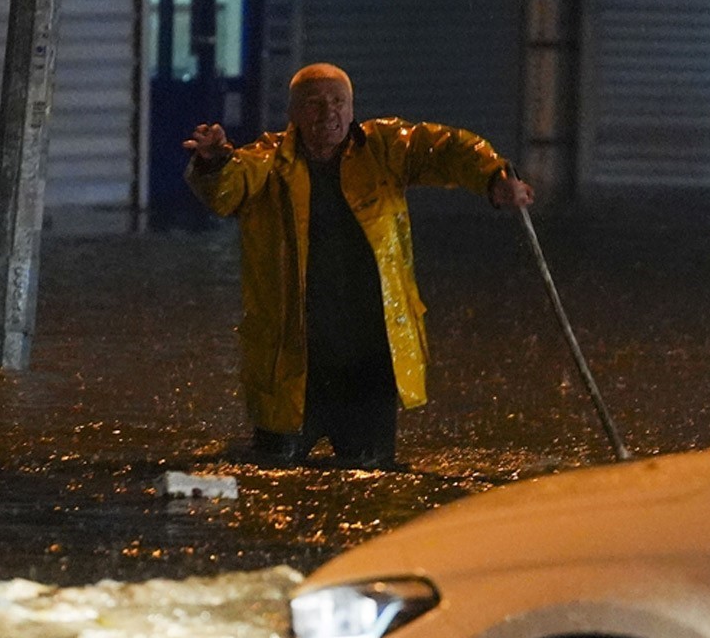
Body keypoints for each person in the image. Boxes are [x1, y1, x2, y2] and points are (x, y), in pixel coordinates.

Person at [183, 62, 534, 469]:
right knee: (272, 471)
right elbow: (226, 190)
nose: (329, 113)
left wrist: (493, 177)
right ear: (294, 113)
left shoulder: (385, 148)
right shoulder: (266, 162)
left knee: (373, 475)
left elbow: (446, 148)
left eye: (338, 102)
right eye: (315, 104)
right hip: (294, 365)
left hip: (369, 361)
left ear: (352, 109)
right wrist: (213, 161)